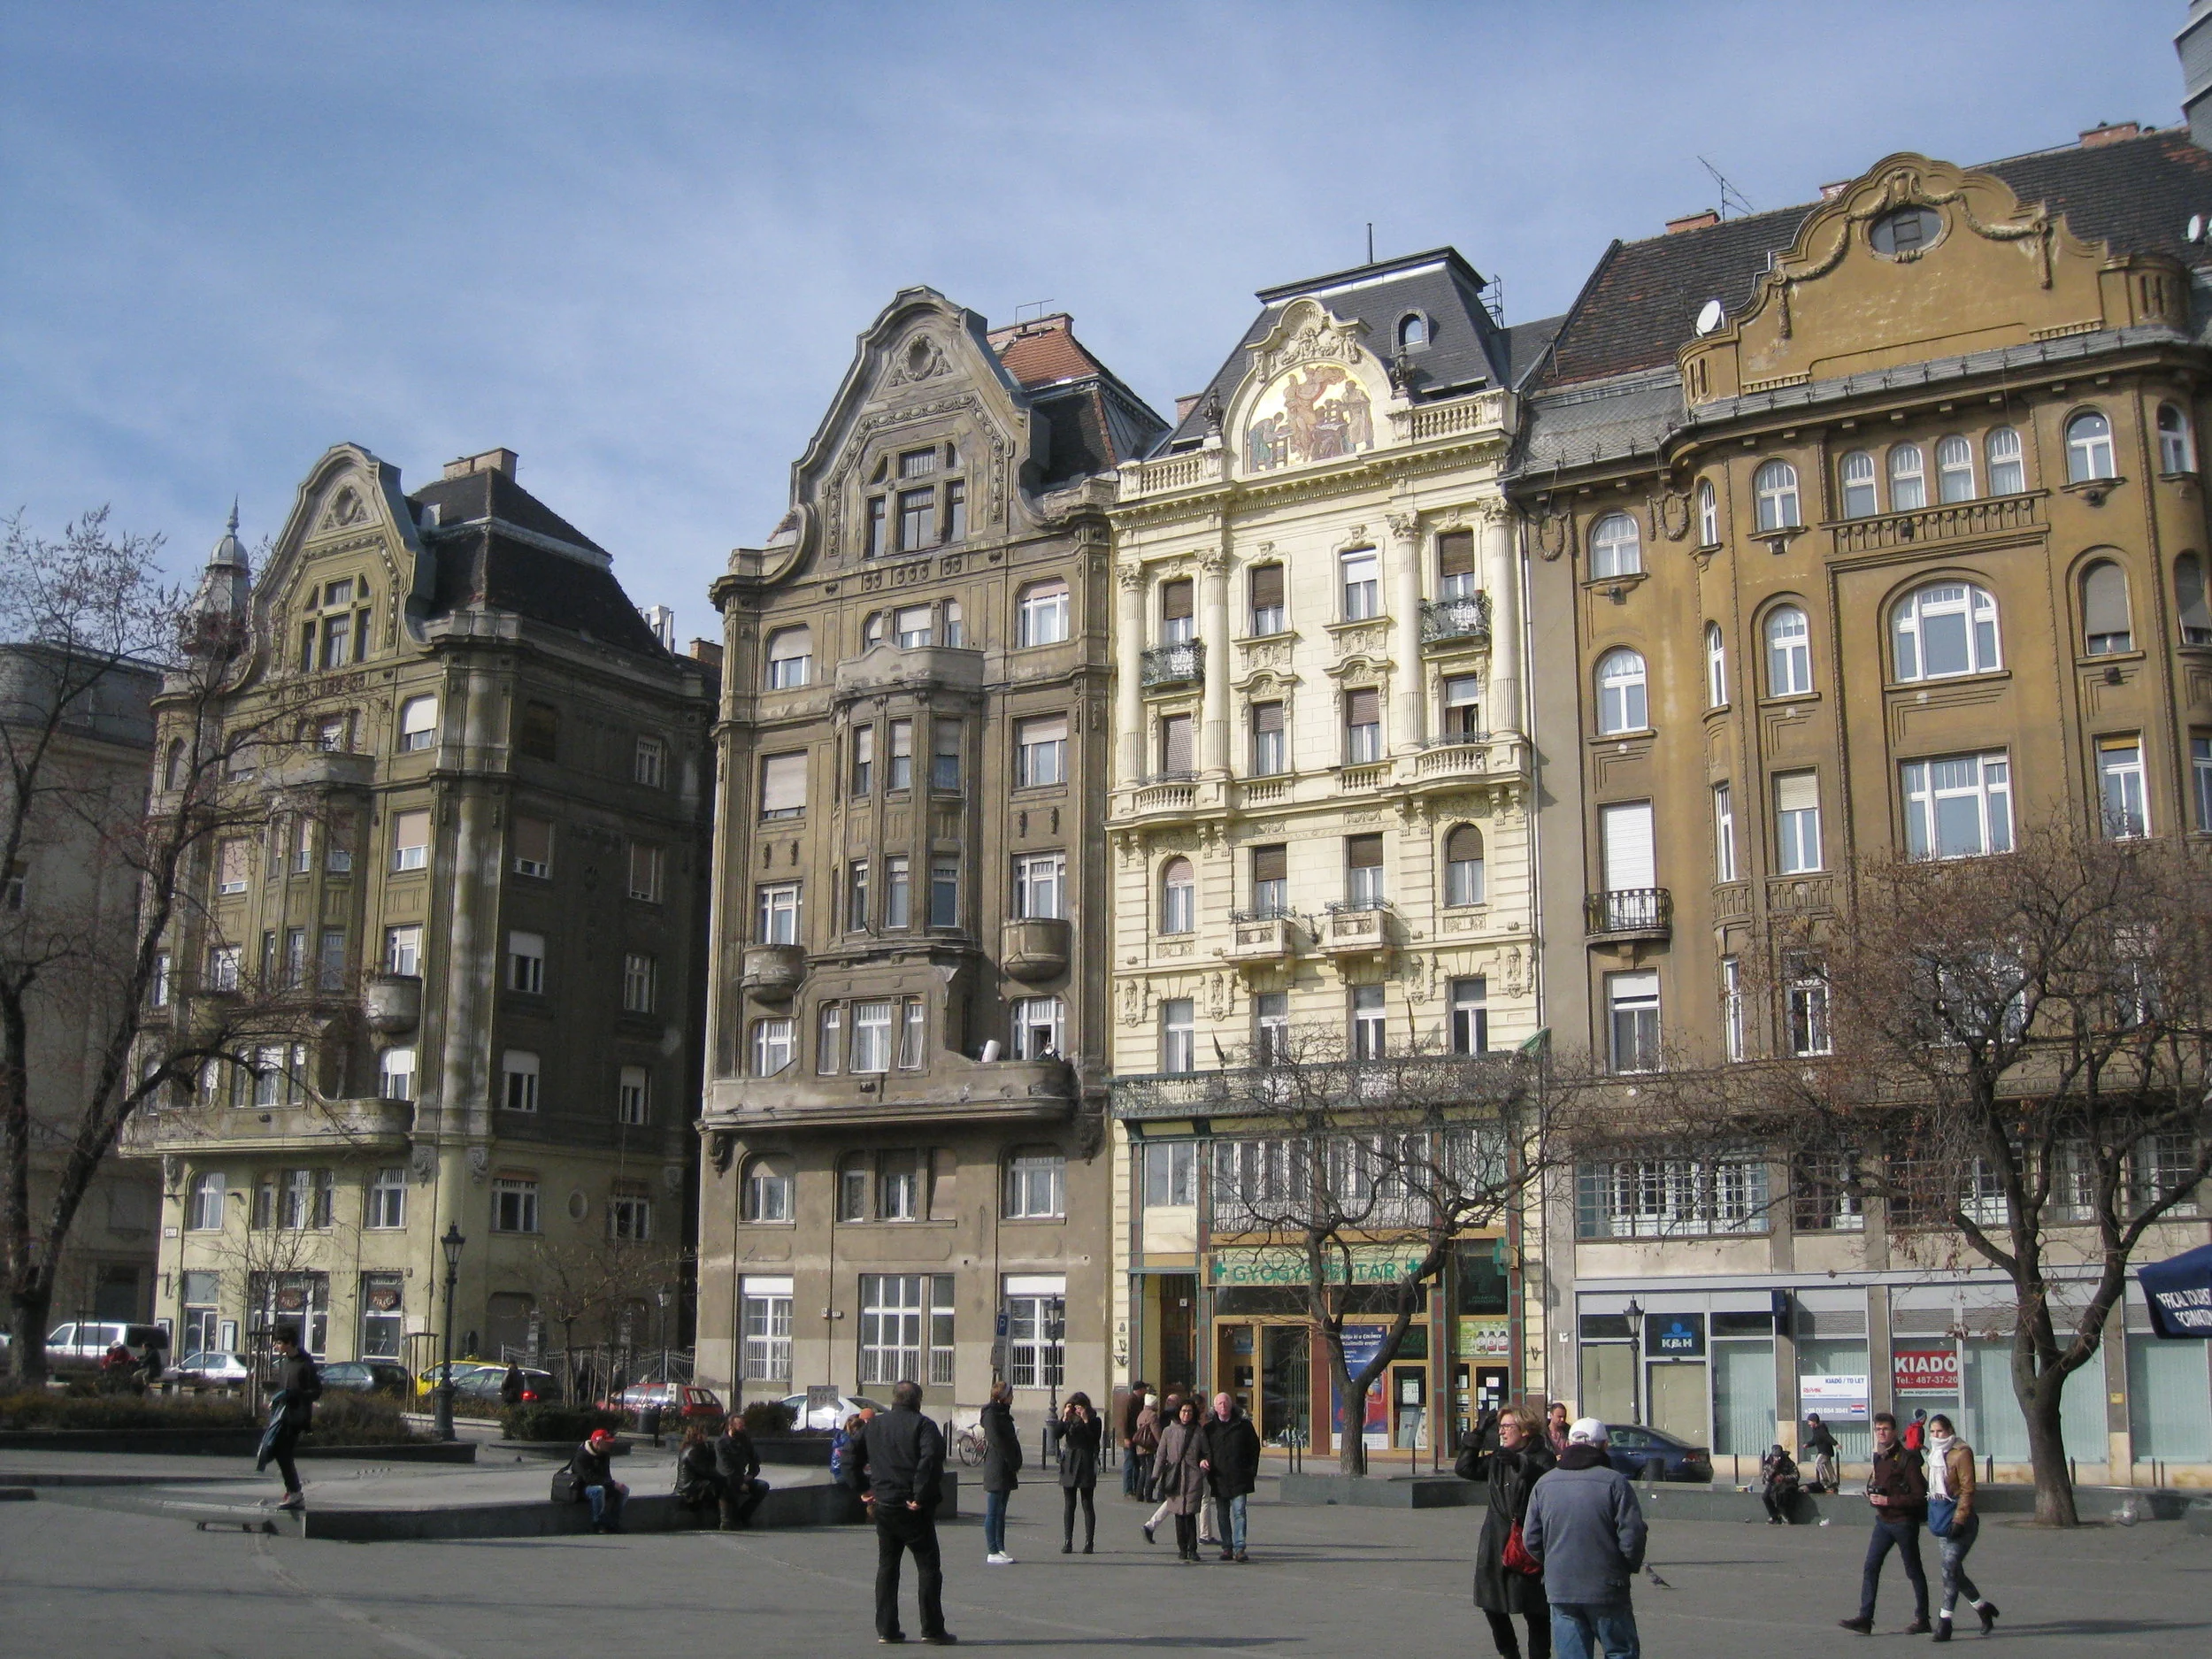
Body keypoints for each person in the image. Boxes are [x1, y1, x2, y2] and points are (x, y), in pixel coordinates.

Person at [1523, 1418, 1647, 1659]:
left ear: (1568, 1444)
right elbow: (1632, 1535)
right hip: (1606, 1585)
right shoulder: (1614, 1482)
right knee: (1621, 1651)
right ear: (1604, 1446)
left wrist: (1552, 1562)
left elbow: (1531, 1539)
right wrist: (1625, 1567)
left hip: (1561, 1586)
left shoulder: (1545, 1483)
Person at [847, 1378, 955, 1645]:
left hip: (883, 1503)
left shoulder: (875, 1425)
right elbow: (930, 1461)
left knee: (887, 1566)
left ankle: (886, 1629)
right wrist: (920, 1495)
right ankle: (931, 1629)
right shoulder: (924, 1426)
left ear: (894, 1399)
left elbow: (848, 1454)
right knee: (928, 1567)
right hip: (912, 1507)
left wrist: (862, 1488)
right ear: (918, 1401)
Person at [1456, 1404, 1555, 1659]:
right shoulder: (1499, 1458)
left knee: (1536, 1611)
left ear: (1525, 1430)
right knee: (1492, 1605)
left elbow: (1547, 1478)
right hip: (1495, 1542)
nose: (1502, 1432)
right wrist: (1478, 1433)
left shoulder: (1542, 1456)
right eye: (1500, 1427)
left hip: (1528, 1543)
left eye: (1507, 1427)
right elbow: (1465, 1468)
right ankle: (1510, 1654)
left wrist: (1521, 1464)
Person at [1838, 1411, 1930, 1636]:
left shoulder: (1907, 1460)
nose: (1881, 1433)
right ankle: (1865, 1618)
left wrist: (1889, 1500)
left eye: (1885, 1429)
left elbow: (1919, 1496)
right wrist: (1873, 1496)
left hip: (1904, 1522)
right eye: (1878, 1429)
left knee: (1913, 1569)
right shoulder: (1879, 1457)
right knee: (1871, 1566)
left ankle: (1922, 1619)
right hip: (1884, 1522)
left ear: (1895, 1432)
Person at [1924, 1414, 1997, 1642]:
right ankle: (1982, 1608)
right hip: (1941, 1517)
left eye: (1940, 1431)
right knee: (1953, 1571)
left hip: (1961, 1521)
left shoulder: (1961, 1452)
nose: (1936, 1436)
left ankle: (1945, 1622)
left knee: (1949, 1567)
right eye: (1932, 1432)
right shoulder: (1933, 1454)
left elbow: (1967, 1489)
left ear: (1949, 1431)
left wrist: (1960, 1519)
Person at [254, 1325, 320, 1512]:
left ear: (289, 1343)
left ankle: (295, 1492)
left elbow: (316, 1391)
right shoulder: (285, 1363)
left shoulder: (305, 1364)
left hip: (296, 1417)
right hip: (283, 1414)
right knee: (278, 1451)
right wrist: (276, 1399)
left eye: (278, 1343)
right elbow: (283, 1388)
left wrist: (295, 1394)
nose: (276, 1346)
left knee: (282, 1452)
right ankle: (293, 1491)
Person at [1197, 1391, 1261, 1563]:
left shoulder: (1243, 1426)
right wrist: (1203, 1461)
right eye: (1220, 1404)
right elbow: (1202, 1450)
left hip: (1240, 1477)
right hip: (1219, 1479)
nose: (1223, 1406)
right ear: (1215, 1408)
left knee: (1239, 1513)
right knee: (1222, 1515)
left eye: (1226, 1403)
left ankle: (1240, 1548)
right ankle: (1227, 1547)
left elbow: (1254, 1448)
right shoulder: (1209, 1429)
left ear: (1231, 1405)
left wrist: (1251, 1471)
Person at [1148, 1396, 1210, 1563]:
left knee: (1189, 1514)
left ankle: (1192, 1549)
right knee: (1178, 1515)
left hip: (1193, 1477)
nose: (1186, 1414)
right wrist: (1154, 1476)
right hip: (1174, 1476)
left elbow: (1206, 1452)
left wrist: (1203, 1464)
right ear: (1178, 1412)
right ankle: (1182, 1548)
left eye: (1189, 1411)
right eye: (1184, 1411)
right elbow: (1161, 1455)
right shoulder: (1169, 1431)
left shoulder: (1198, 1431)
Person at [1048, 1392, 1102, 1554]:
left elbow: (1094, 1438)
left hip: (1085, 1461)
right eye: (1074, 1407)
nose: (1077, 1410)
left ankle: (1089, 1542)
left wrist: (1085, 1420)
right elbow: (1056, 1435)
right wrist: (1064, 1417)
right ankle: (1068, 1541)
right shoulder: (1069, 1420)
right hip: (1070, 1462)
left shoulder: (1094, 1420)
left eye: (1080, 1407)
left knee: (1087, 1503)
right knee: (1069, 1504)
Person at [979, 1379, 1022, 1565]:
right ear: (1003, 1397)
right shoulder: (991, 1414)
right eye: (1010, 1394)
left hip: (1006, 1467)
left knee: (1001, 1510)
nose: (1013, 1397)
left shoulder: (1003, 1413)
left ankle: (1000, 1547)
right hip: (997, 1466)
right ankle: (992, 1550)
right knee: (993, 1510)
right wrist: (1011, 1458)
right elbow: (997, 1440)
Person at [714, 1413, 769, 1529]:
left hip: (741, 1478)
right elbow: (726, 1468)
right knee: (728, 1485)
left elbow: (755, 1460)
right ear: (731, 1427)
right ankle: (727, 1520)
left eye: (743, 1426)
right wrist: (740, 1483)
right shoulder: (721, 1443)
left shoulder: (745, 1441)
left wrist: (750, 1475)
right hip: (726, 1479)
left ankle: (743, 1516)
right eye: (740, 1426)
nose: (743, 1428)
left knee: (762, 1486)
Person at [570, 1426, 628, 1533]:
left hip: (601, 1483)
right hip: (583, 1488)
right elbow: (588, 1478)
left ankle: (613, 1522)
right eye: (607, 1443)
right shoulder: (581, 1456)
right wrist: (611, 1484)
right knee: (598, 1490)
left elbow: (606, 1474)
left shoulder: (604, 1454)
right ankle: (598, 1523)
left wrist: (613, 1485)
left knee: (624, 1490)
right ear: (598, 1443)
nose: (609, 1445)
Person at [675, 1421, 724, 1518]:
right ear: (698, 1435)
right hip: (688, 1486)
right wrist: (724, 1475)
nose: (707, 1435)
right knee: (716, 1486)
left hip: (698, 1482)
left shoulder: (703, 1447)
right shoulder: (692, 1450)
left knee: (722, 1483)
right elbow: (704, 1470)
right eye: (704, 1433)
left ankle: (723, 1516)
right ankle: (721, 1517)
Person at [1119, 1381, 1151, 1498]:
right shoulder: (1130, 1400)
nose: (1146, 1391)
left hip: (1136, 1437)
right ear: (1140, 1390)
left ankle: (1135, 1488)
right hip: (1129, 1437)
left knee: (1136, 1463)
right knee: (1130, 1463)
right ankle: (1128, 1490)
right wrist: (1126, 1437)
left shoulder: (1140, 1400)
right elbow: (1124, 1420)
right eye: (1144, 1389)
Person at [1127, 1393, 1160, 1505]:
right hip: (1149, 1447)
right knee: (1150, 1471)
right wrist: (1161, 1444)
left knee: (1143, 1470)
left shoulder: (1141, 1414)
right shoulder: (1152, 1415)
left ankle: (1139, 1494)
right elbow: (1156, 1432)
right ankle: (1148, 1495)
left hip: (1140, 1447)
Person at [1758, 1443, 1801, 1525]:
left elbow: (1796, 1475)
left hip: (1787, 1484)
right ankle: (1774, 1516)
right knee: (1765, 1496)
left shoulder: (1788, 1462)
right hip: (1773, 1483)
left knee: (1781, 1494)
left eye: (1779, 1457)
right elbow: (1767, 1478)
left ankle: (1785, 1515)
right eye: (1775, 1457)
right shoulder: (1768, 1462)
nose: (1777, 1459)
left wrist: (1784, 1477)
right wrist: (1774, 1467)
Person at [1801, 1413, 1839, 1493]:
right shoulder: (1815, 1430)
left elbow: (1828, 1437)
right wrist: (1808, 1444)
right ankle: (1834, 1481)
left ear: (1814, 1421)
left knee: (1818, 1463)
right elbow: (1815, 1440)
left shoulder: (1821, 1429)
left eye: (1809, 1422)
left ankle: (1825, 1480)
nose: (1808, 1424)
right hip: (1823, 1451)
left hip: (1825, 1451)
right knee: (1828, 1466)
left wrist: (1836, 1444)